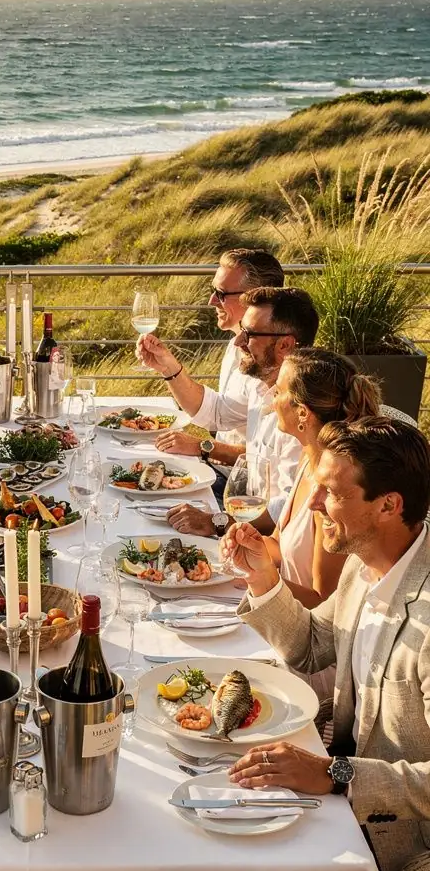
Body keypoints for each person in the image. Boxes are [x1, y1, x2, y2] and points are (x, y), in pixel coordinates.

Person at [165, 417, 430, 871]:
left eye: (330, 492)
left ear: (389, 505)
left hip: (401, 835)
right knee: (198, 826)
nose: (311, 504)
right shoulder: (373, 567)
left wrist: (337, 773)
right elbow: (315, 645)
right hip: (337, 783)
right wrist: (264, 579)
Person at [137, 286, 319, 535]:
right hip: (245, 511)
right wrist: (167, 367)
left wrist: (215, 522)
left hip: (266, 538)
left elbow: (286, 509)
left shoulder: (302, 413)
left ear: (285, 345)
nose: (238, 341)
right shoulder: (260, 386)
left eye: (249, 334)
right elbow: (217, 412)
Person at [220, 348, 380, 607]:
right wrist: (251, 547)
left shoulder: (334, 494)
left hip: (299, 624)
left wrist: (260, 578)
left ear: (303, 413)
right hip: (275, 607)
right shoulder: (307, 460)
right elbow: (279, 547)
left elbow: (324, 604)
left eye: (279, 391)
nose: (272, 397)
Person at [152, 248, 285, 482]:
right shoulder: (236, 345)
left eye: (221, 294)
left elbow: (269, 460)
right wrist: (167, 366)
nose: (211, 301)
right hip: (220, 471)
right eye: (213, 291)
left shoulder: (276, 365)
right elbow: (218, 413)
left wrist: (202, 447)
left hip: (242, 484)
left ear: (255, 297)